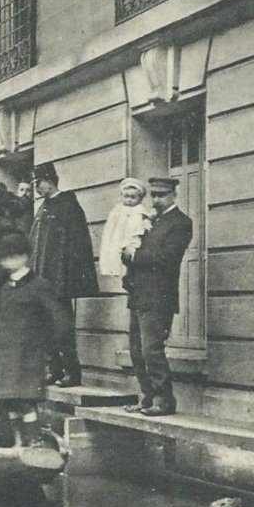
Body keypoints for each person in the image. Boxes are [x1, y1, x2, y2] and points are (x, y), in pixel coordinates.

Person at [0, 233, 73, 447]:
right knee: (9, 400)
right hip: (5, 354)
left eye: (12, 257)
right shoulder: (4, 287)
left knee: (26, 401)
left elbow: (58, 318)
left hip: (28, 355)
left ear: (25, 256)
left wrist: (49, 349)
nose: (7, 262)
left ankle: (35, 441)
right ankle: (19, 442)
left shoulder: (38, 285)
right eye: (4, 258)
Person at [122, 177, 193, 417]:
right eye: (153, 195)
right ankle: (147, 398)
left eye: (161, 195)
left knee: (151, 349)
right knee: (136, 351)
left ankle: (164, 400)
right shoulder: (150, 221)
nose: (156, 200)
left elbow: (166, 258)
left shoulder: (181, 223)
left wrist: (134, 256)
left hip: (159, 297)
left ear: (174, 195)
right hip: (139, 294)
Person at [28, 161, 100, 387]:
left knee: (62, 329)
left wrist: (67, 280)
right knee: (44, 328)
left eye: (39, 183)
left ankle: (72, 372)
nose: (36, 188)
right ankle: (54, 369)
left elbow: (78, 247)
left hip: (59, 282)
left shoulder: (68, 206)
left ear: (50, 181)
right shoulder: (43, 208)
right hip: (42, 281)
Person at [99, 178, 154, 277]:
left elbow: (145, 224)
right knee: (115, 254)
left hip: (132, 238)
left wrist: (146, 222)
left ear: (140, 198)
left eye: (133, 197)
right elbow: (110, 227)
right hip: (118, 236)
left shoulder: (140, 210)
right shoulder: (117, 210)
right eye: (126, 196)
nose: (129, 200)